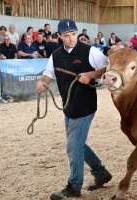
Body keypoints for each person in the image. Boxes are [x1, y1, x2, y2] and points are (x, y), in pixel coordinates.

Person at [36, 18, 112, 200]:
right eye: (67, 35)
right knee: (78, 144)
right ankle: (101, 173)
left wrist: (91, 74)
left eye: (73, 34)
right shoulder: (55, 55)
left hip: (85, 106)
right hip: (68, 106)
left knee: (72, 146)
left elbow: (107, 68)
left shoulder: (90, 51)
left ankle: (74, 187)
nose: (71, 38)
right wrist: (42, 82)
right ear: (60, 36)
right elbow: (48, 75)